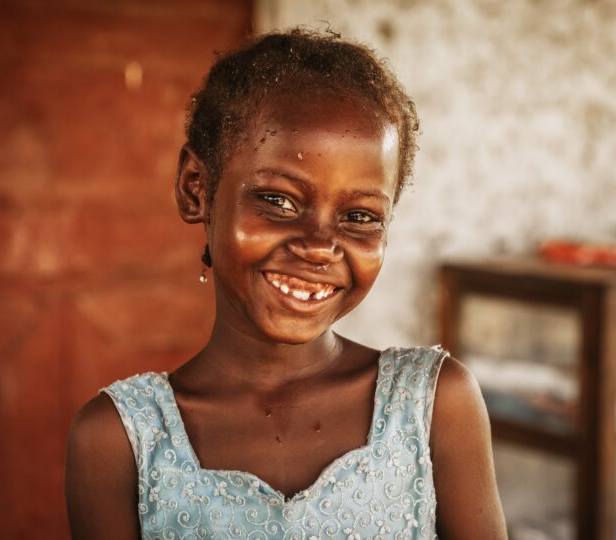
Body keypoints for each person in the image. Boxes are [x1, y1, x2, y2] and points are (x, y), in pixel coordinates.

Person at [65, 28, 507, 539]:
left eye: (360, 215)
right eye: (278, 201)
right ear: (196, 189)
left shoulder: (433, 405)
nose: (320, 245)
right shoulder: (120, 441)